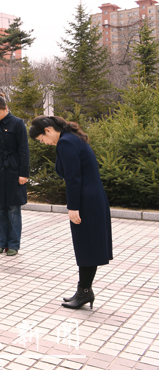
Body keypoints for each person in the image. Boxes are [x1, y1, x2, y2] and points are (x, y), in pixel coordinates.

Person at [29, 116, 112, 309]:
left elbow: (73, 179)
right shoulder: (72, 137)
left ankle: (84, 292)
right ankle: (83, 290)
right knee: (87, 246)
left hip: (86, 201)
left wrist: (73, 207)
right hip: (93, 197)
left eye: (42, 139)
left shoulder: (65, 143)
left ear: (48, 130)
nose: (44, 143)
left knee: (87, 246)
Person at [0, 95, 29, 256]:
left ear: (5, 109)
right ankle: (2, 243)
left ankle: (14, 244)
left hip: (13, 170)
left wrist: (23, 173)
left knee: (13, 209)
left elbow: (23, 150)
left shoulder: (17, 123)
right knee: (0, 209)